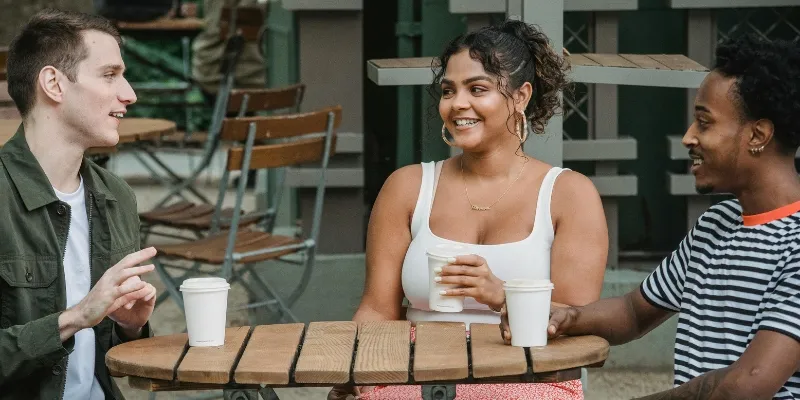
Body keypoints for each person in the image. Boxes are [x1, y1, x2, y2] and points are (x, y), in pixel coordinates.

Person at [501, 33, 800, 400]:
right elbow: (632, 312)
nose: (689, 137)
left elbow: (749, 383)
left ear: (758, 135)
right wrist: (566, 318)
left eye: (704, 123)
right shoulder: (716, 224)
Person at [329, 19, 609, 400]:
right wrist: (356, 371)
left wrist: (502, 296)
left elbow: (579, 323)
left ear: (521, 96)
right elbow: (378, 311)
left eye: (477, 89)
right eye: (448, 90)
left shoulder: (569, 195)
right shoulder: (408, 188)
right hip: (418, 375)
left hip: (529, 378)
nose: (457, 103)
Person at [0, 9, 159, 400]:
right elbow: (79, 320)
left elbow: (106, 357)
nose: (130, 94)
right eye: (109, 75)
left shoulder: (116, 196)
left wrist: (130, 327)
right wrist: (75, 318)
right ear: (54, 83)